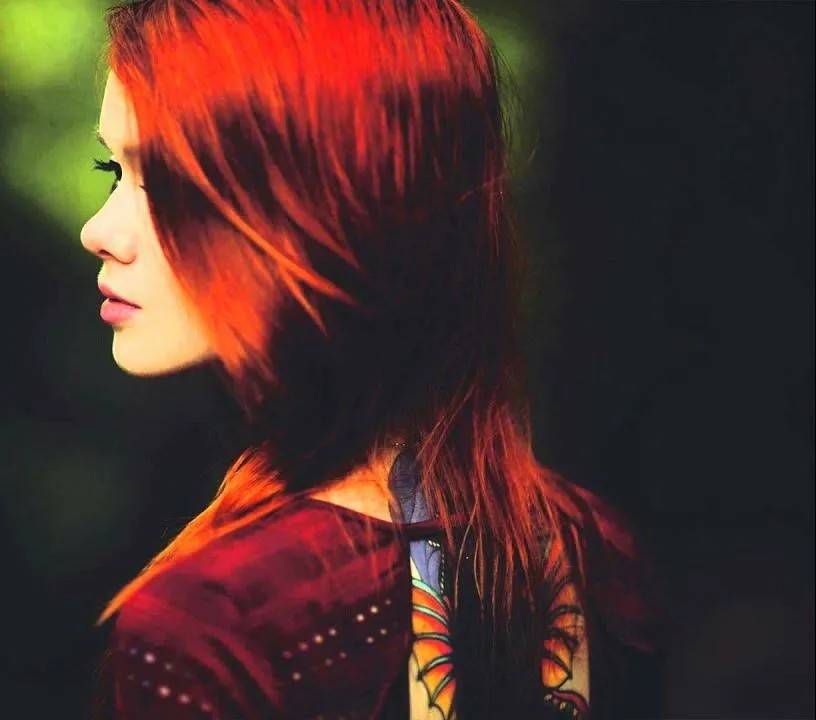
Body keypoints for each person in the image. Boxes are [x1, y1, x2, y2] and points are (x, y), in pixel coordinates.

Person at [79, 1, 660, 718]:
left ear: (325, 207)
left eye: (165, 182)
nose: (99, 230)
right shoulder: (598, 548)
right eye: (113, 170)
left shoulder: (211, 625)